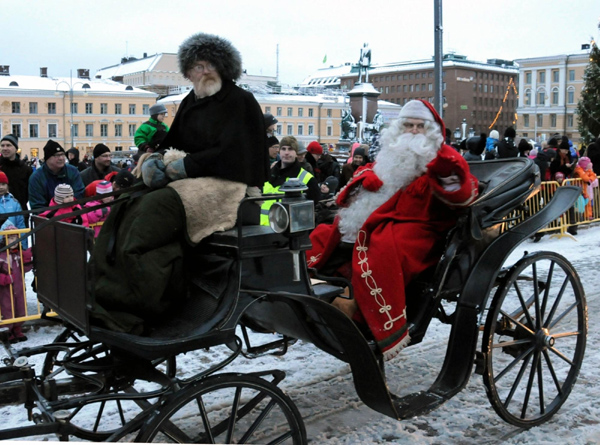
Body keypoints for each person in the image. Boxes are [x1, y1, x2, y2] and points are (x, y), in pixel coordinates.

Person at [91, 32, 269, 334]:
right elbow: (173, 141)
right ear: (188, 72)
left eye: (210, 64)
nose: (204, 71)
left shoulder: (241, 101)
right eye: (197, 66)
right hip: (195, 181)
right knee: (127, 204)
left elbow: (235, 153)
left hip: (233, 187)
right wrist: (155, 160)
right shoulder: (191, 101)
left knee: (153, 212)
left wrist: (184, 166)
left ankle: (143, 305)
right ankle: (105, 293)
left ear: (223, 67)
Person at [306, 99, 479, 359]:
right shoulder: (391, 156)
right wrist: (366, 178)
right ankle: (320, 285)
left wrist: (446, 171)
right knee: (325, 232)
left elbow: (461, 191)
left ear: (431, 131)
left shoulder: (442, 159)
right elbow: (372, 175)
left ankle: (360, 311)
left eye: (419, 126)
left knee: (384, 246)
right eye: (408, 124)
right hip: (384, 214)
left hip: (421, 224)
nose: (412, 131)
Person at [260, 136, 319, 225]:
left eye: (290, 149)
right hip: (262, 230)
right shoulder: (267, 175)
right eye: (283, 149)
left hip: (288, 233)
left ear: (296, 153)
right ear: (279, 151)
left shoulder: (308, 179)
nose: (286, 153)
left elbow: (312, 211)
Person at [28, 140, 85, 210]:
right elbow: (38, 206)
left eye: (62, 154)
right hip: (48, 218)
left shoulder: (72, 171)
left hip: (73, 215)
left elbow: (79, 195)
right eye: (57, 155)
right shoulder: (37, 178)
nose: (61, 158)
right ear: (47, 158)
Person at [0, 226, 33, 343]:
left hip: (18, 287)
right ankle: (7, 331)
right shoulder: (1, 255)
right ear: (4, 239)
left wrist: (30, 260)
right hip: (6, 289)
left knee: (20, 308)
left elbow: (24, 268)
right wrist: (5, 278)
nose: (13, 241)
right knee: (7, 309)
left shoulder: (18, 254)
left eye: (15, 238)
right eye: (10, 238)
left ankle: (17, 329)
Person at [0, 134, 32, 223]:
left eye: (8, 145)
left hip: (20, 214)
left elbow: (29, 193)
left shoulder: (25, 169)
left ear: (16, 148)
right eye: (2, 145)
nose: (5, 148)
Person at [0, 173, 28, 248]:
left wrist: (23, 246)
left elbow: (20, 225)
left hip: (13, 245)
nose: (1, 187)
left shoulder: (14, 203)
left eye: (3, 184)